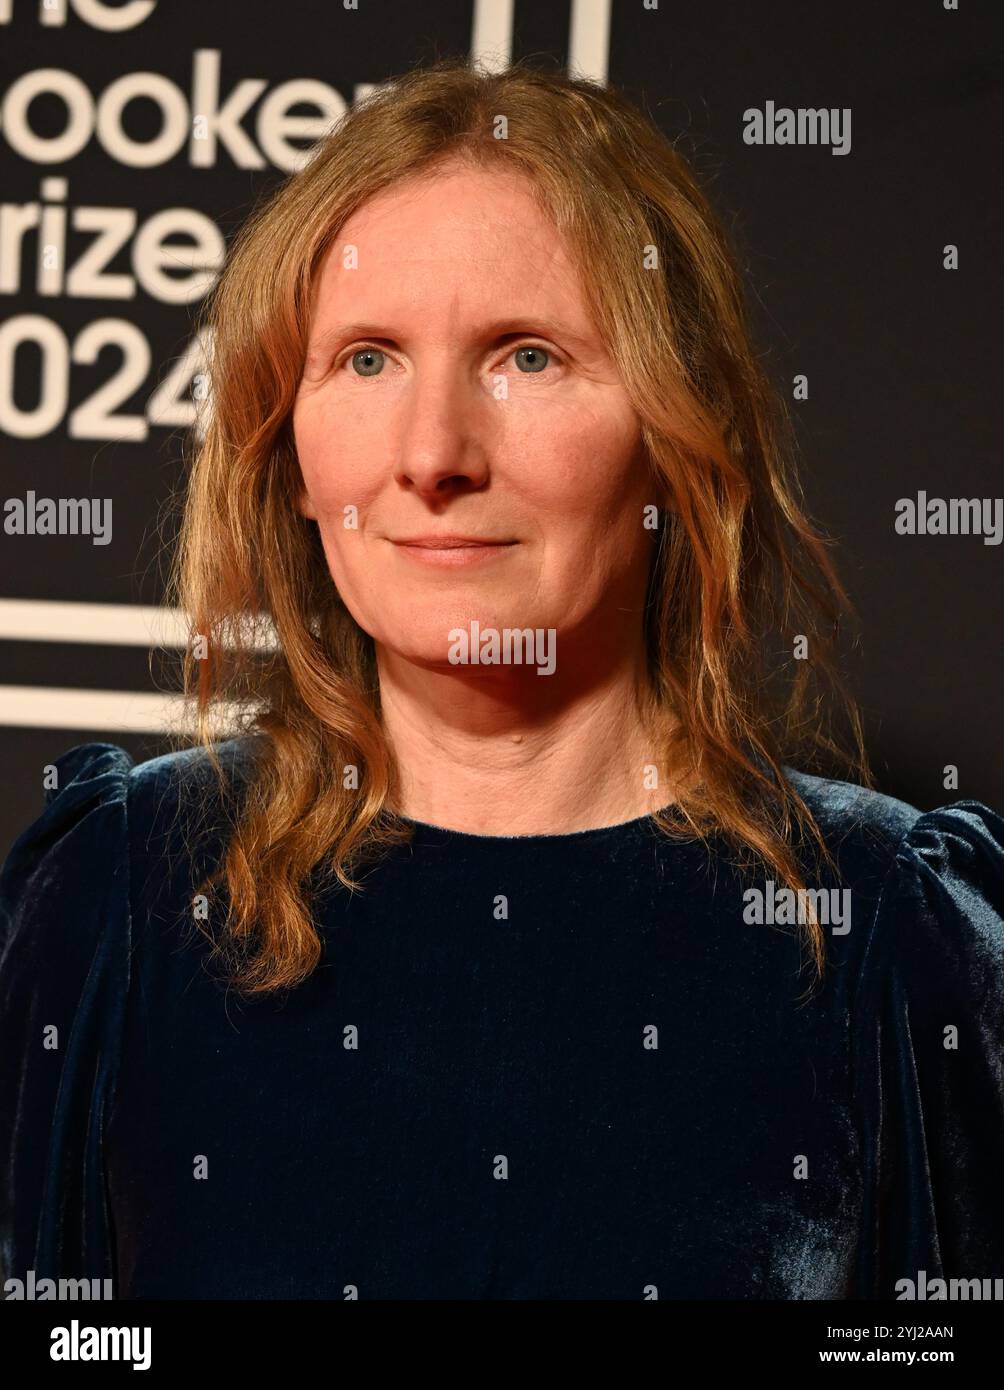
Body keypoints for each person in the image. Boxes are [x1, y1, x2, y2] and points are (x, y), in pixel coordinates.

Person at [2, 57, 1002, 1302]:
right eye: (366, 359)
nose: (433, 454)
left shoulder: (888, 931)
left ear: (674, 433)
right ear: (290, 455)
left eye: (525, 356)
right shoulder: (122, 892)